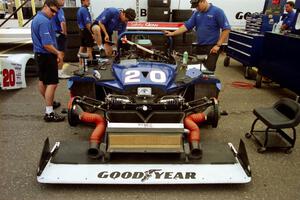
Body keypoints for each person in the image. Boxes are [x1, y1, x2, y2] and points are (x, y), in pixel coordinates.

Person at [165, 0, 231, 71]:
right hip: (200, 46)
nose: (196, 8)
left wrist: (218, 45)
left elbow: (226, 29)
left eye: (197, 6)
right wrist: (173, 33)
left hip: (212, 48)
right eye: (195, 7)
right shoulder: (197, 13)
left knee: (208, 71)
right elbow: (187, 26)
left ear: (203, 1)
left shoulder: (217, 12)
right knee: (197, 69)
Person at [31, 0, 65, 122]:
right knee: (52, 83)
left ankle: (49, 103)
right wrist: (58, 53)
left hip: (39, 55)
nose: (54, 14)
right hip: (46, 55)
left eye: (56, 12)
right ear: (45, 6)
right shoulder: (43, 21)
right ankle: (49, 113)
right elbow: (47, 45)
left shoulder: (37, 18)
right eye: (52, 11)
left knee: (42, 80)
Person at [51, 0, 70, 79]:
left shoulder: (52, 9)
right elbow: (62, 22)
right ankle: (60, 73)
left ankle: (55, 72)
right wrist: (64, 33)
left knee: (55, 54)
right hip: (59, 34)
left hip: (53, 34)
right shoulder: (60, 10)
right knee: (60, 54)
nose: (64, 1)